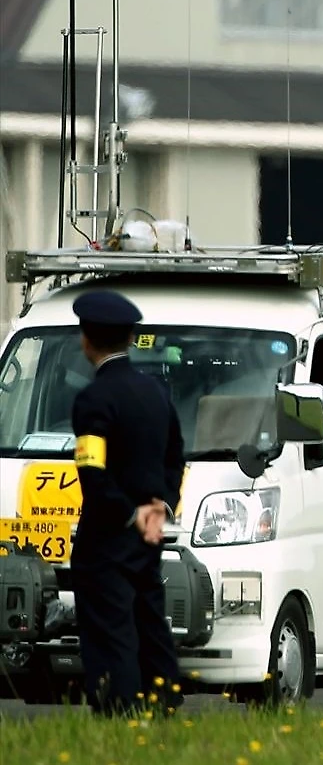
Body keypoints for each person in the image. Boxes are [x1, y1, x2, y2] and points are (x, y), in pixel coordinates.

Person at [67, 289, 185, 717]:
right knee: (151, 624)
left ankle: (120, 715)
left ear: (86, 339)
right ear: (130, 338)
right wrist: (161, 505)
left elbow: (92, 473)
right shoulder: (156, 393)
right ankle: (164, 705)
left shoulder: (92, 401)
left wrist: (127, 513)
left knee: (110, 631)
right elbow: (176, 455)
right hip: (149, 535)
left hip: (106, 541)